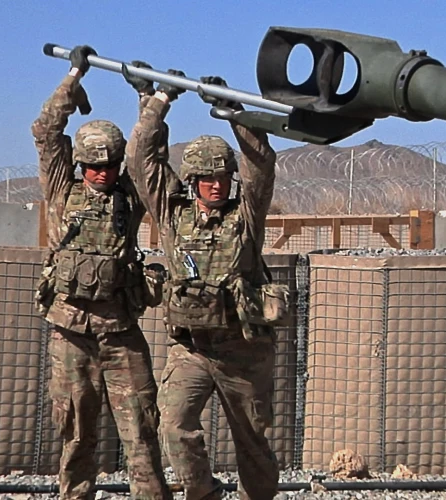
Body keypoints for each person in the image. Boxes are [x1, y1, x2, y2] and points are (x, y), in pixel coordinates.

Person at [123, 65, 289, 500]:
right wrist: (158, 102)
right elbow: (141, 161)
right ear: (192, 180)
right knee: (174, 425)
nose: (216, 186)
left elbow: (261, 166)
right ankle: (203, 494)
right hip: (191, 348)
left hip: (243, 349)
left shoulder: (245, 217)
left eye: (222, 178)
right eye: (207, 178)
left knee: (252, 442)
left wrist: (234, 113)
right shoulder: (173, 214)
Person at [31, 45, 172, 500]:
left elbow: (148, 155)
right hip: (70, 333)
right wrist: (74, 76)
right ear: (80, 165)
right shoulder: (61, 187)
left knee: (142, 434)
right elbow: (46, 130)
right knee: (75, 434)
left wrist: (150, 98)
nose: (103, 174)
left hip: (120, 332)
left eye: (110, 165)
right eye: (94, 166)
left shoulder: (128, 196)